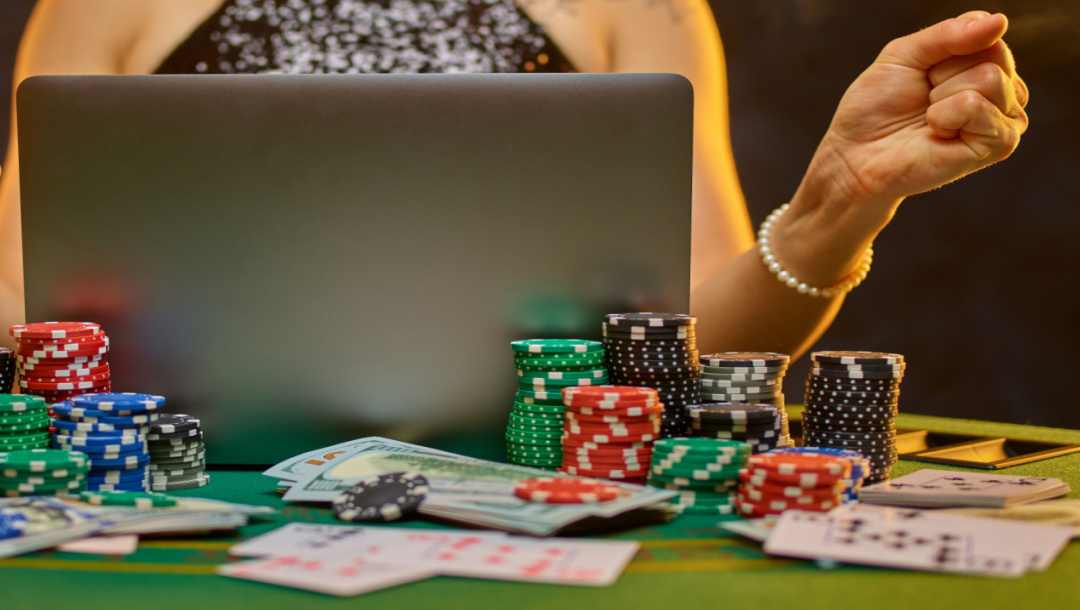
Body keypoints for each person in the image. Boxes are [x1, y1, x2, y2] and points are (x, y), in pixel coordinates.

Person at [0, 1, 1028, 355]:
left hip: (556, 518)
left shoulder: (640, 6)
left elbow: (692, 335)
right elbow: (18, 298)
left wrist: (836, 205)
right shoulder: (102, 2)